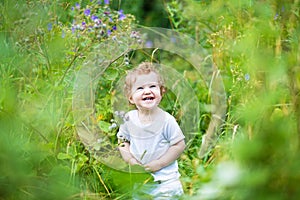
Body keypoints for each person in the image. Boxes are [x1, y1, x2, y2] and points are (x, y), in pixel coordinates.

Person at [117, 62, 186, 199]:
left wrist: (159, 163)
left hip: (166, 184)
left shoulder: (166, 120)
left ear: (161, 92)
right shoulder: (129, 119)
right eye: (140, 88)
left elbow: (179, 145)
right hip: (141, 183)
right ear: (130, 98)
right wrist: (130, 160)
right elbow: (123, 141)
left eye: (152, 86)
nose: (147, 91)